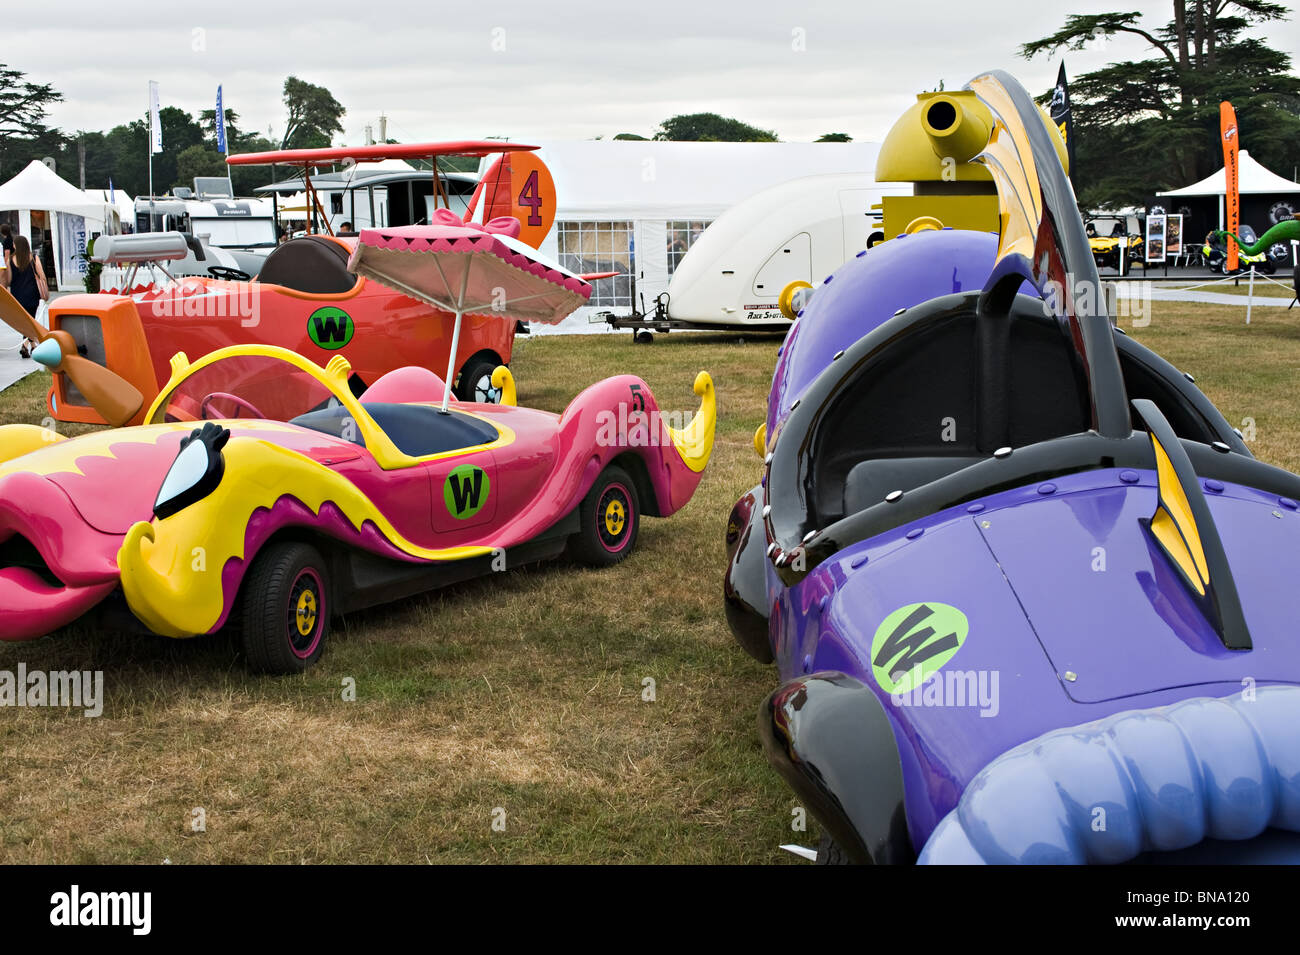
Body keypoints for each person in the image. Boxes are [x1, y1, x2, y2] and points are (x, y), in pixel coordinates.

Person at [2, 235, 49, 358]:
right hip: (32, 294)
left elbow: (9, 279)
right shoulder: (34, 258)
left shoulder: (10, 260)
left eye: (14, 244)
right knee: (31, 321)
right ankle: (27, 346)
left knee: (25, 322)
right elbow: (41, 275)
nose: (12, 245)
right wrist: (44, 285)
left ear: (16, 245)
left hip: (18, 296)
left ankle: (30, 346)